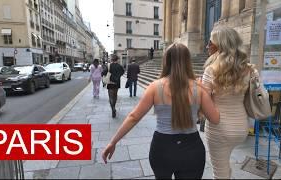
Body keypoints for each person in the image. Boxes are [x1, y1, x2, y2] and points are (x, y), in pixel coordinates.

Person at [102, 43, 220, 179]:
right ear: (188, 62)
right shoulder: (198, 88)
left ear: (166, 61)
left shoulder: (154, 87)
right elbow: (215, 119)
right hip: (192, 150)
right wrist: (211, 94)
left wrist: (113, 142)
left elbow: (134, 117)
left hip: (162, 149)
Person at [201, 27, 250, 179]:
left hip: (219, 128)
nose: (207, 46)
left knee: (219, 171)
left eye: (210, 42)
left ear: (220, 46)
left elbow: (204, 102)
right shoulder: (249, 69)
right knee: (225, 167)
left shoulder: (211, 70)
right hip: (241, 127)